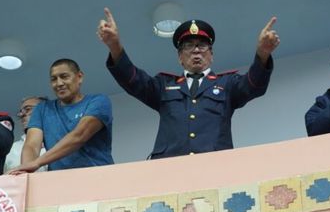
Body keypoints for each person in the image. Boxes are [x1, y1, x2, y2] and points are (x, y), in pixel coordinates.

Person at [98, 8, 279, 159]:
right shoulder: (164, 85)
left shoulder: (227, 83)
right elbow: (133, 80)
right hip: (169, 167)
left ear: (211, 55)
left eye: (202, 45)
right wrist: (115, 46)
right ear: (180, 57)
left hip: (216, 165)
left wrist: (262, 54)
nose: (196, 51)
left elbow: (253, 85)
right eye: (189, 46)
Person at [10, 58, 113, 173]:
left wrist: (37, 162)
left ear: (79, 77)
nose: (59, 83)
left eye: (64, 77)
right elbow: (32, 145)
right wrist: (26, 169)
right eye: (54, 79)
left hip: (98, 174)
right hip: (58, 179)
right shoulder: (42, 109)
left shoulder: (98, 101)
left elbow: (79, 135)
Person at [3, 96, 47, 173]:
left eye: (28, 109)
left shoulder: (60, 141)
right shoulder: (12, 149)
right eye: (20, 111)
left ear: (46, 112)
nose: (21, 114)